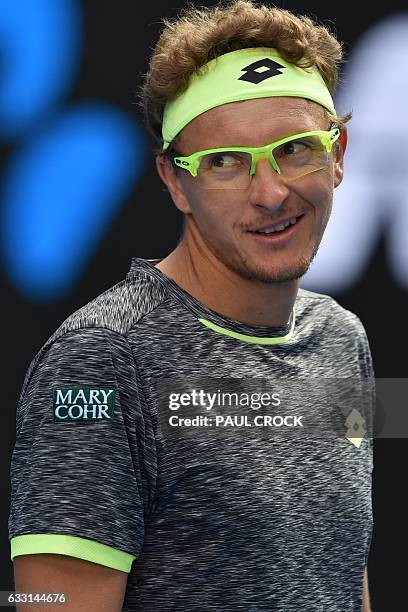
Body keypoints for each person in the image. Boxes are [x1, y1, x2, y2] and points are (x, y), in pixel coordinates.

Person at [9, 1, 374, 610]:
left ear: (338, 153)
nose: (271, 193)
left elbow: (338, 571)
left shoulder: (344, 338)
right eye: (224, 163)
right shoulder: (97, 359)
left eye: (296, 150)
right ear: (174, 181)